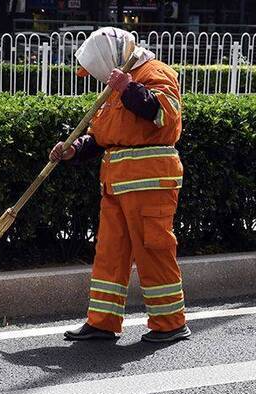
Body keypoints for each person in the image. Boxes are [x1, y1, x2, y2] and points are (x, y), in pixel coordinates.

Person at [49, 27, 191, 343]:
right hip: (115, 185)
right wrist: (74, 150)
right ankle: (102, 322)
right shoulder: (113, 88)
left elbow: (162, 115)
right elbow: (101, 138)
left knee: (153, 249)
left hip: (150, 182)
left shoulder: (156, 72)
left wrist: (128, 88)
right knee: (110, 253)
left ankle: (170, 323)